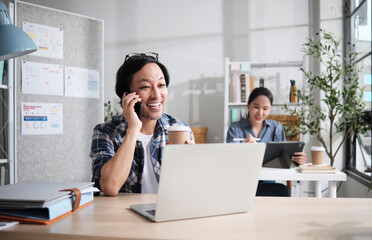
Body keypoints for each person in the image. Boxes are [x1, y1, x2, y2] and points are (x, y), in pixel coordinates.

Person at [90, 52, 194, 196]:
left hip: (167, 213)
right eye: (145, 87)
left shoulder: (179, 128)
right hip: (124, 216)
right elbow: (109, 186)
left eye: (161, 85)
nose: (157, 94)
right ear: (127, 95)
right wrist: (133, 129)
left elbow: (189, 190)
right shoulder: (106, 132)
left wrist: (191, 164)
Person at [226, 87, 307, 196]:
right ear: (248, 105)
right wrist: (244, 149)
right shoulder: (236, 128)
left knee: (283, 192)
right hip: (242, 183)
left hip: (267, 183)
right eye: (256, 107)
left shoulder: (276, 128)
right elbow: (230, 159)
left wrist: (298, 161)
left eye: (265, 109)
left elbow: (285, 161)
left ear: (270, 109)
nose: (260, 113)